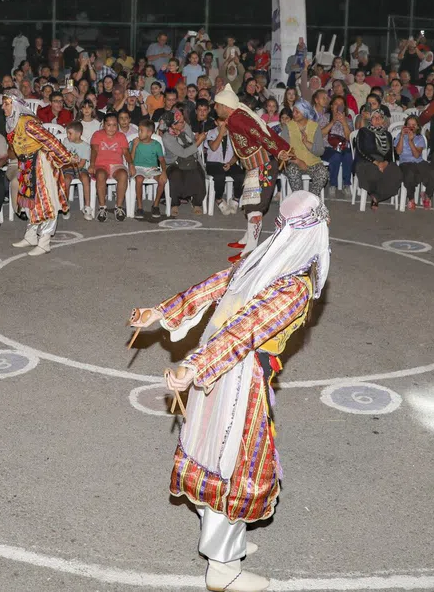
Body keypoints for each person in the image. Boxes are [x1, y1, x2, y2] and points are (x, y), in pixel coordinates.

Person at [128, 191, 330, 592]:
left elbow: (230, 301)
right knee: (235, 466)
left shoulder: (275, 262)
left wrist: (182, 341)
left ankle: (224, 538)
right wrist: (171, 324)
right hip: (237, 378)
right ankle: (223, 567)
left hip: (220, 367)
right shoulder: (292, 281)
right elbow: (239, 319)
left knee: (211, 451)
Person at [213, 86, 291, 263]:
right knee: (248, 203)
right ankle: (247, 239)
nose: (215, 108)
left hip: (263, 166)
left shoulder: (238, 119)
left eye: (217, 105)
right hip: (254, 166)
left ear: (226, 106)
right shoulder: (237, 115)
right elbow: (263, 129)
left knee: (254, 207)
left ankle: (251, 249)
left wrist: (279, 151)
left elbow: (261, 135)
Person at [4, 92, 79, 256]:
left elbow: (50, 140)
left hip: (41, 163)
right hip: (26, 164)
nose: (3, 107)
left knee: (46, 202)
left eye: (7, 104)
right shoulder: (12, 122)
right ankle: (31, 236)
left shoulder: (28, 123)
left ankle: (44, 242)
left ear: (15, 106)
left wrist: (67, 157)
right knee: (29, 200)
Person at [355, 110, 402, 210]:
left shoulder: (387, 134)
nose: (377, 120)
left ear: (383, 120)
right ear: (370, 120)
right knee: (373, 173)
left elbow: (390, 152)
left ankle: (376, 197)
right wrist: (376, 163)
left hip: (384, 161)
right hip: (366, 160)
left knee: (396, 173)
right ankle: (376, 195)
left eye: (379, 117)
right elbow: (361, 150)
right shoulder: (363, 131)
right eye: (374, 117)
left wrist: (385, 163)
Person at [282, 101, 328, 200]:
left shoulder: (315, 127)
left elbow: (320, 151)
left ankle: (309, 200)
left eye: (297, 112)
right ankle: (299, 200)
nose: (294, 114)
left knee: (323, 173)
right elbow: (284, 150)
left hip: (313, 163)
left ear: (305, 112)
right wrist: (298, 161)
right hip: (293, 163)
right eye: (293, 111)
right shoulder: (288, 126)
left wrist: (307, 143)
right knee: (292, 170)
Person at [90, 112, 132, 222]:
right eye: (109, 125)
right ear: (104, 125)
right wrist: (92, 164)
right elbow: (94, 150)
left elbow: (126, 153)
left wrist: (131, 164)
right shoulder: (97, 135)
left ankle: (118, 207)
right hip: (101, 164)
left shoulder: (121, 136)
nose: (112, 128)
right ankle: (102, 207)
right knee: (100, 175)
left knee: (123, 174)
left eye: (114, 125)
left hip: (116, 165)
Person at [396, 115, 434, 209]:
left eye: (413, 125)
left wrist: (410, 141)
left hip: (418, 161)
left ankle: (427, 196)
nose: (411, 127)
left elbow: (417, 155)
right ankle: (411, 198)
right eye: (409, 124)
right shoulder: (400, 136)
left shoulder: (420, 138)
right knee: (409, 174)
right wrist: (402, 136)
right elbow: (398, 152)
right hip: (405, 162)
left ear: (417, 127)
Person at [130, 119, 168, 218]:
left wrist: (164, 171)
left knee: (162, 180)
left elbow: (162, 160)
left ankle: (155, 205)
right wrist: (134, 146)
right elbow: (130, 159)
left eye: (141, 131)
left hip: (152, 168)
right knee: (139, 179)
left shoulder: (156, 145)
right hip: (138, 167)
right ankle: (139, 207)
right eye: (138, 130)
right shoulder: (135, 143)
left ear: (150, 133)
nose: (138, 133)